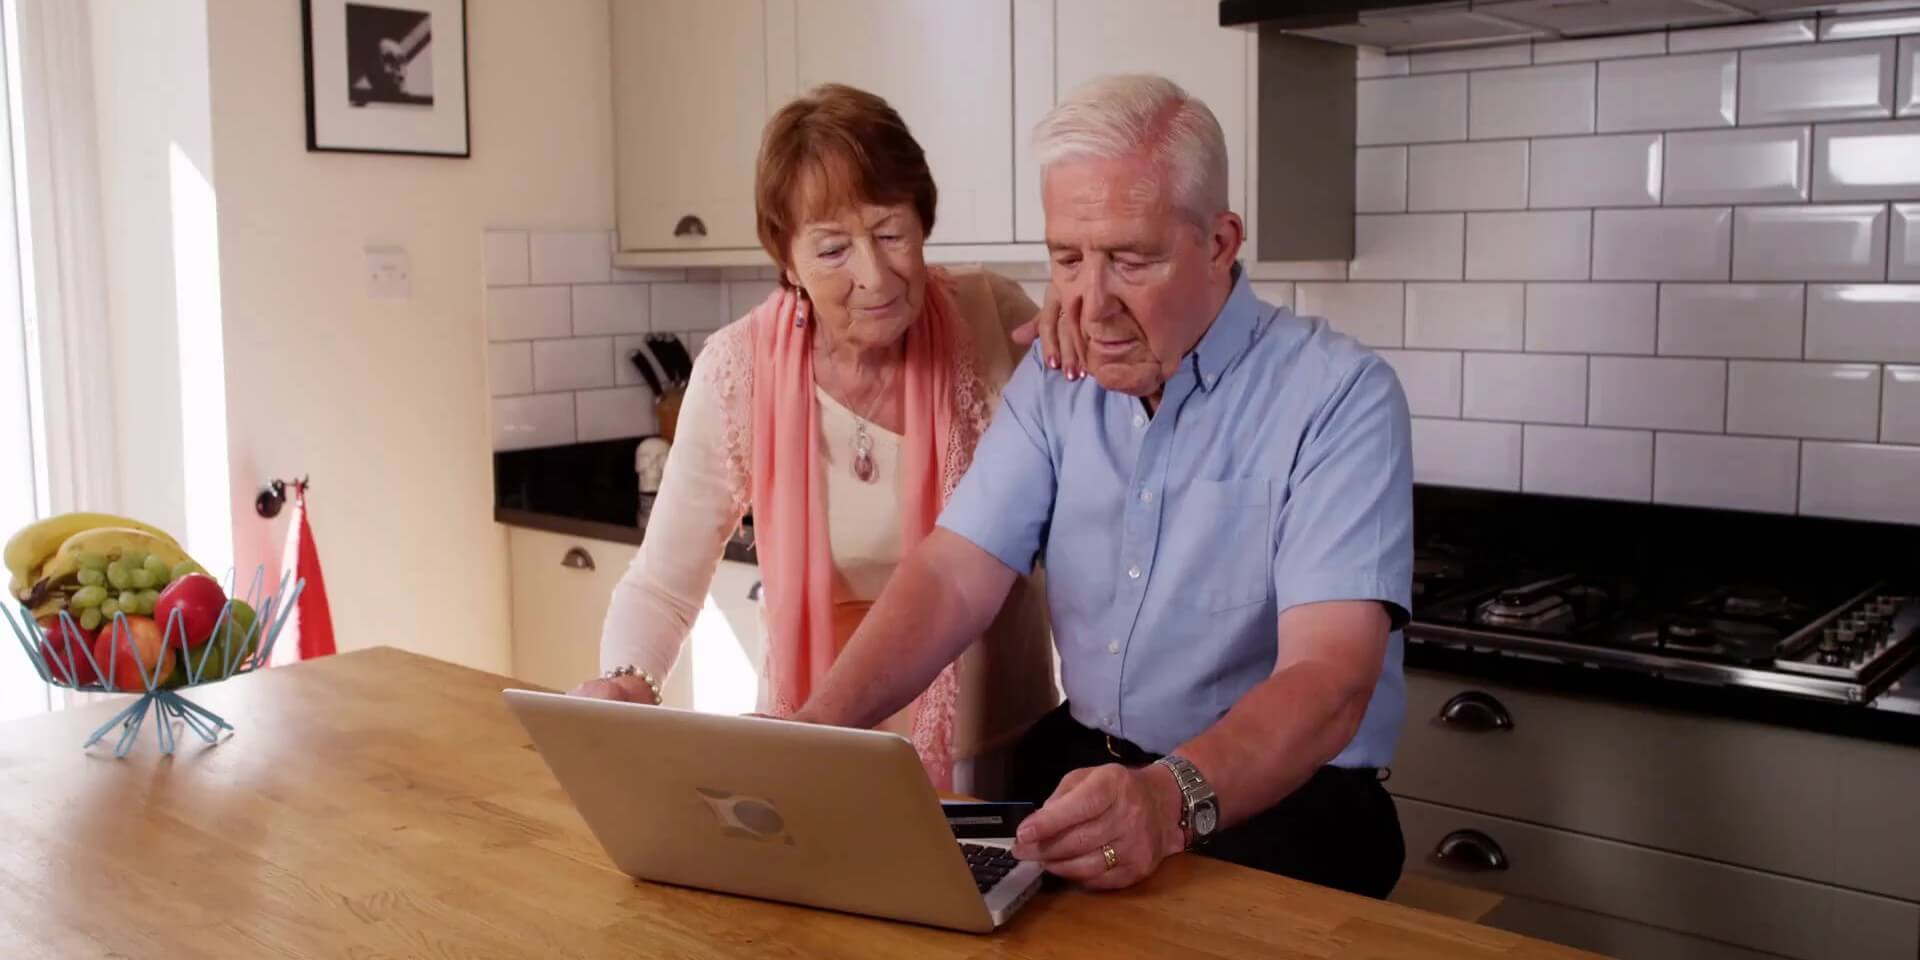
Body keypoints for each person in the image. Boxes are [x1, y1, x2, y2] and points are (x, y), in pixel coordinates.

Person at [789, 74, 1414, 899]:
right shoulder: (1057, 380)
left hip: (1285, 808)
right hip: (1086, 774)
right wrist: (814, 732)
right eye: (1067, 259)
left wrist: (1167, 801)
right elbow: (951, 576)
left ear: (1221, 243)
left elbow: (1330, 680)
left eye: (1131, 259)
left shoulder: (1339, 396)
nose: (1090, 305)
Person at [569, 84, 1059, 797]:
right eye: (833, 248)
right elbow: (663, 585)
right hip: (816, 751)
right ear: (787, 258)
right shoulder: (738, 373)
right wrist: (625, 682)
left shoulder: (997, 323)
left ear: (924, 221)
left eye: (891, 232)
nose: (874, 274)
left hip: (992, 753)